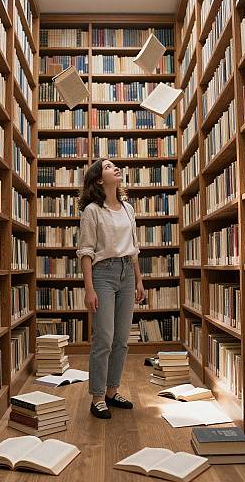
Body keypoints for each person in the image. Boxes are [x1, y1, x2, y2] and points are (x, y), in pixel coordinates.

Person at [77, 158, 145, 419]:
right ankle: (97, 397)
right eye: (107, 167)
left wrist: (138, 279)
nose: (115, 168)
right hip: (103, 274)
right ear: (97, 179)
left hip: (127, 272)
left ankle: (111, 391)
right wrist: (89, 288)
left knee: (121, 339)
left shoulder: (128, 208)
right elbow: (85, 251)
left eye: (114, 165)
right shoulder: (93, 210)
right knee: (103, 338)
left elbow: (134, 248)